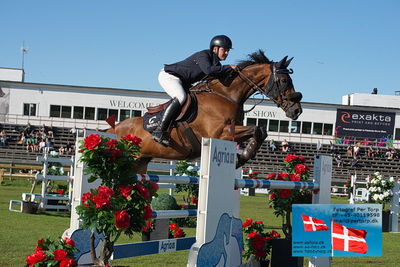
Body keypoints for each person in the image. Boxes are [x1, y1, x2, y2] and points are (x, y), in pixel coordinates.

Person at [152, 35, 238, 146]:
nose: (226, 53)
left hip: (183, 81)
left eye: (228, 50)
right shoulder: (204, 55)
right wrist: (229, 67)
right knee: (181, 97)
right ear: (215, 49)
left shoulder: (217, 64)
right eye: (224, 49)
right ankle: (159, 130)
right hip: (169, 76)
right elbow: (208, 70)